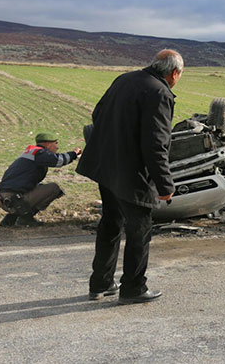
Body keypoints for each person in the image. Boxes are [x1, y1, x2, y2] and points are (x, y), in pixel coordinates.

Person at [77, 49, 183, 304]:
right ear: (173, 73)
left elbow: (97, 113)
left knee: (111, 224)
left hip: (106, 166)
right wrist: (165, 184)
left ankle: (101, 283)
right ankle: (133, 287)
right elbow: (156, 144)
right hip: (131, 173)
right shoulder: (159, 92)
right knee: (140, 231)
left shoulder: (124, 79)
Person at [0, 133, 82, 227]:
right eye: (55, 143)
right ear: (47, 144)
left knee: (40, 187)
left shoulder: (31, 153)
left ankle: (10, 219)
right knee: (54, 188)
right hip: (13, 199)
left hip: (6, 197)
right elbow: (58, 160)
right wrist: (74, 154)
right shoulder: (40, 153)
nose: (57, 147)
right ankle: (25, 218)